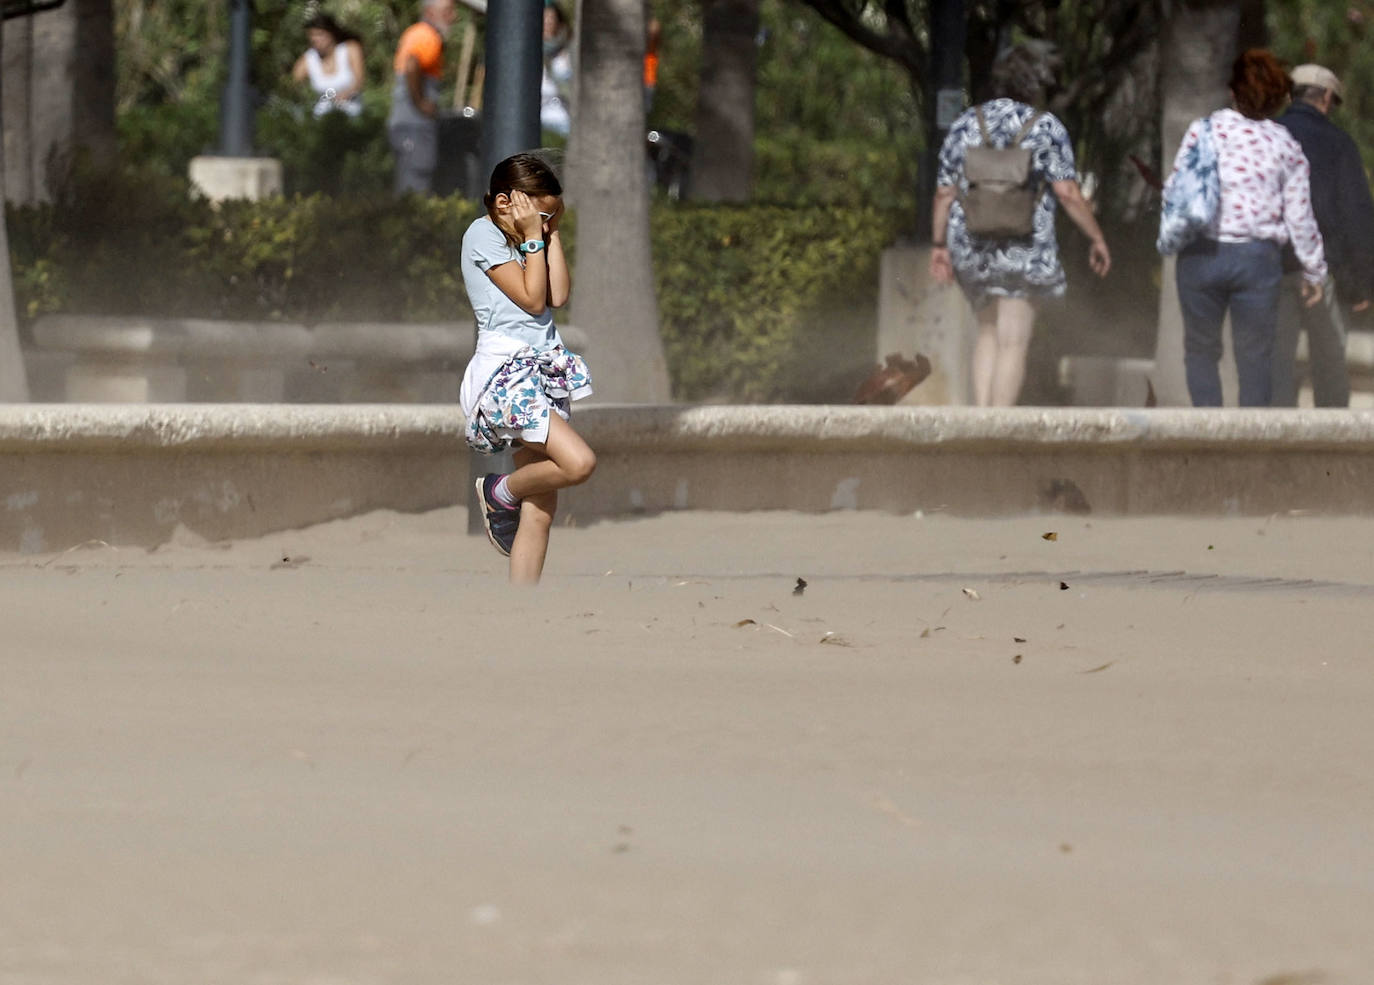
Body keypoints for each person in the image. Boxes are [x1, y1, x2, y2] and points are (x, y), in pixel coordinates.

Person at [929, 44, 1111, 407]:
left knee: (987, 332)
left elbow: (944, 194)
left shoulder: (966, 124)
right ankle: (999, 431)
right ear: (1036, 85)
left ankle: (981, 423)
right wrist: (1097, 237)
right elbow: (1068, 193)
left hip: (973, 244)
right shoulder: (1045, 127)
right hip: (1025, 247)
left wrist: (939, 245)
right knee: (1013, 340)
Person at [459, 154, 595, 585]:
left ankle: (522, 611)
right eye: (541, 214)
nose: (545, 224)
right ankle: (500, 491)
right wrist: (534, 237)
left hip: (542, 371)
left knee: (540, 511)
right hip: (507, 372)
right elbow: (532, 299)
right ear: (504, 203)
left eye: (552, 217)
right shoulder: (483, 234)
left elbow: (558, 295)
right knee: (579, 463)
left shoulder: (531, 237)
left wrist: (548, 234)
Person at [1165, 49, 1326, 408]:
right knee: (1255, 358)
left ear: (1233, 91)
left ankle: (1210, 438)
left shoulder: (1203, 131)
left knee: (1201, 351)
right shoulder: (1286, 145)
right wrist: (1313, 270)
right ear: (1276, 98)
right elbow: (1300, 217)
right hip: (1257, 261)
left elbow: (1176, 188)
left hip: (1201, 256)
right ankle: (1251, 446)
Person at [1271, 64, 1374, 407]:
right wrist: (1361, 282)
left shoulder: (1267, 136)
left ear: (1291, 95)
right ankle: (1328, 450)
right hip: (1324, 271)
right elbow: (1356, 216)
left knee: (1276, 365)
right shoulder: (1340, 145)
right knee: (1329, 365)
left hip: (1273, 268)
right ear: (1327, 98)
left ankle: (1272, 445)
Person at [388, 0, 458, 195]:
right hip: (414, 126)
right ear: (430, 12)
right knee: (415, 187)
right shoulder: (427, 36)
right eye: (447, 11)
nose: (454, 17)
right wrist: (420, 103)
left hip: (407, 125)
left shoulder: (416, 33)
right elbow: (412, 65)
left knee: (409, 182)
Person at [291, 12, 365, 118]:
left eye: (320, 34)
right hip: (320, 116)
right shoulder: (308, 59)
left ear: (331, 34)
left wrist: (346, 94)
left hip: (351, 112)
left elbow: (359, 81)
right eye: (312, 35)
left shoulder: (350, 49)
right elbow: (292, 84)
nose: (315, 39)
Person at [540, 3, 574, 137]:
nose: (547, 22)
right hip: (540, 121)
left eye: (551, 18)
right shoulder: (528, 54)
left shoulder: (569, 50)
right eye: (544, 18)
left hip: (567, 121)